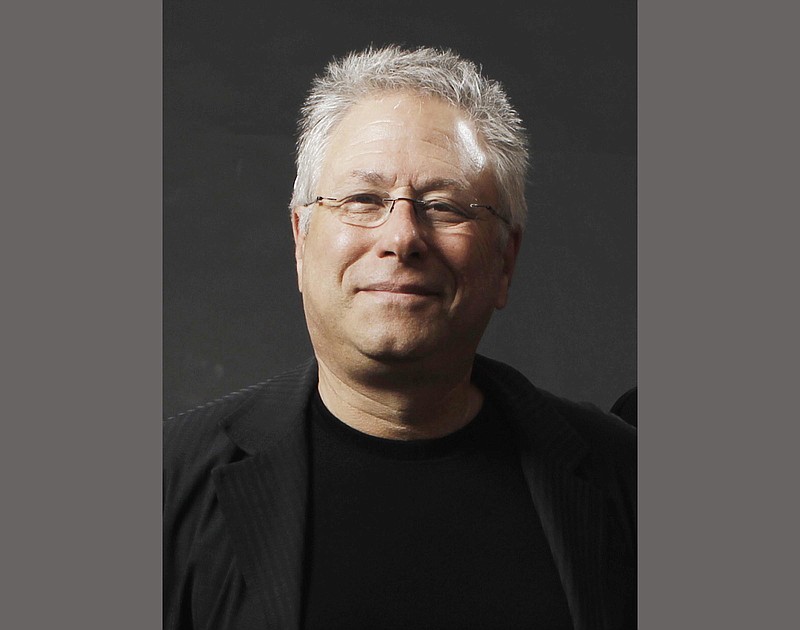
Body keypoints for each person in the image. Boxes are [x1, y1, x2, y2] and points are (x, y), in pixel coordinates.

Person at [163, 45, 636, 630]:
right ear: (300, 240)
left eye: (443, 205)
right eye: (363, 200)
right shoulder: (164, 483)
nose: (402, 237)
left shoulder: (627, 477)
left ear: (505, 262)